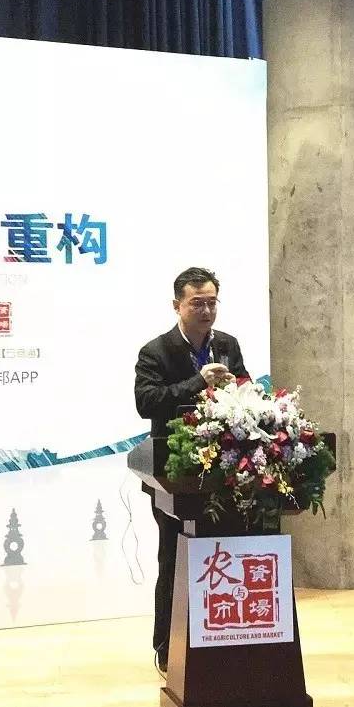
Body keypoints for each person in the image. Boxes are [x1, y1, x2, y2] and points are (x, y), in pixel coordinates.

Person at [134, 267, 248, 671]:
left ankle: (223, 643)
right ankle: (168, 648)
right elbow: (147, 402)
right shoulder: (156, 351)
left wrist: (242, 390)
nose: (206, 310)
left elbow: (246, 387)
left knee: (225, 559)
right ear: (177, 305)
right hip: (174, 475)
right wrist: (198, 382)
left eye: (212, 302)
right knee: (175, 559)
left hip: (223, 472)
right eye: (197, 303)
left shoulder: (228, 345)